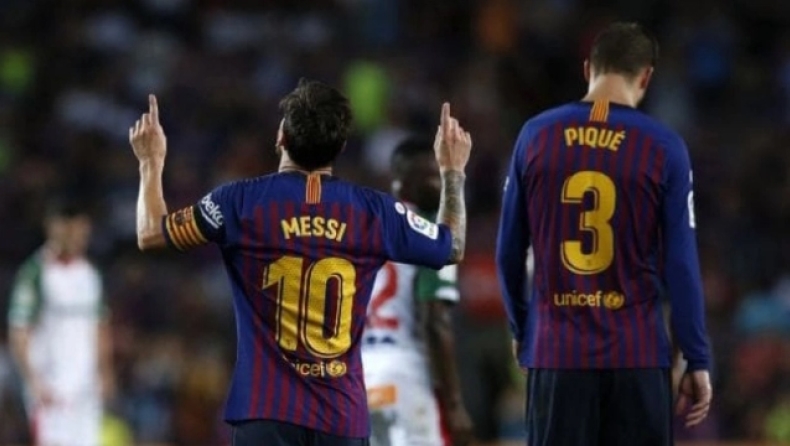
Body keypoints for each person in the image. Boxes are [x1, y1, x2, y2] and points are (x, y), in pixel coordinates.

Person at [128, 79, 472, 446]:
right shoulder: (376, 212)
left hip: (265, 412)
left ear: (281, 137)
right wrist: (453, 172)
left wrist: (151, 162)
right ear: (340, 146)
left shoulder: (238, 202)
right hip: (341, 418)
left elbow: (151, 233)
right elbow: (452, 246)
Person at [495, 22, 713, 446]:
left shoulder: (535, 135)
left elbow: (508, 251)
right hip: (638, 356)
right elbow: (681, 263)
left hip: (556, 354)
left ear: (587, 69)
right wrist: (696, 356)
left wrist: (522, 330)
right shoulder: (664, 146)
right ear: (646, 77)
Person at [361, 137, 474, 446]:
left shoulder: (368, 229)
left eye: (440, 176)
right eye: (430, 177)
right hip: (407, 373)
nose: (438, 185)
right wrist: (454, 404)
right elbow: (435, 321)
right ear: (401, 182)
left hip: (362, 376)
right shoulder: (432, 232)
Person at [8, 197, 114, 446]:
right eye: (72, 231)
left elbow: (100, 326)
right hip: (50, 384)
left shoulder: (90, 274)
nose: (79, 238)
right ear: (55, 228)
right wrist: (32, 379)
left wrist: (105, 371)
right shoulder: (35, 273)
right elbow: (19, 330)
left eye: (83, 231)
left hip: (86, 385)